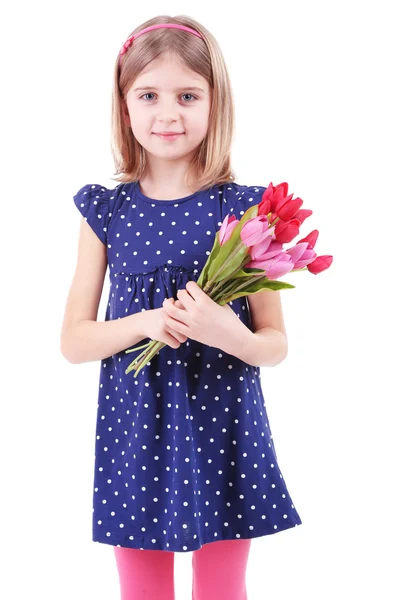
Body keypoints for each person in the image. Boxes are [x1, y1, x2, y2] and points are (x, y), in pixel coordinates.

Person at [60, 14, 302, 600]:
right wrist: (145, 322)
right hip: (134, 431)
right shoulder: (106, 212)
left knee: (222, 587)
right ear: (125, 107)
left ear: (216, 105)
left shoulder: (247, 210)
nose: (168, 114)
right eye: (148, 95)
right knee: (142, 591)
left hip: (223, 427)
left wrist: (228, 332)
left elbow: (274, 344)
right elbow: (73, 341)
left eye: (188, 95)